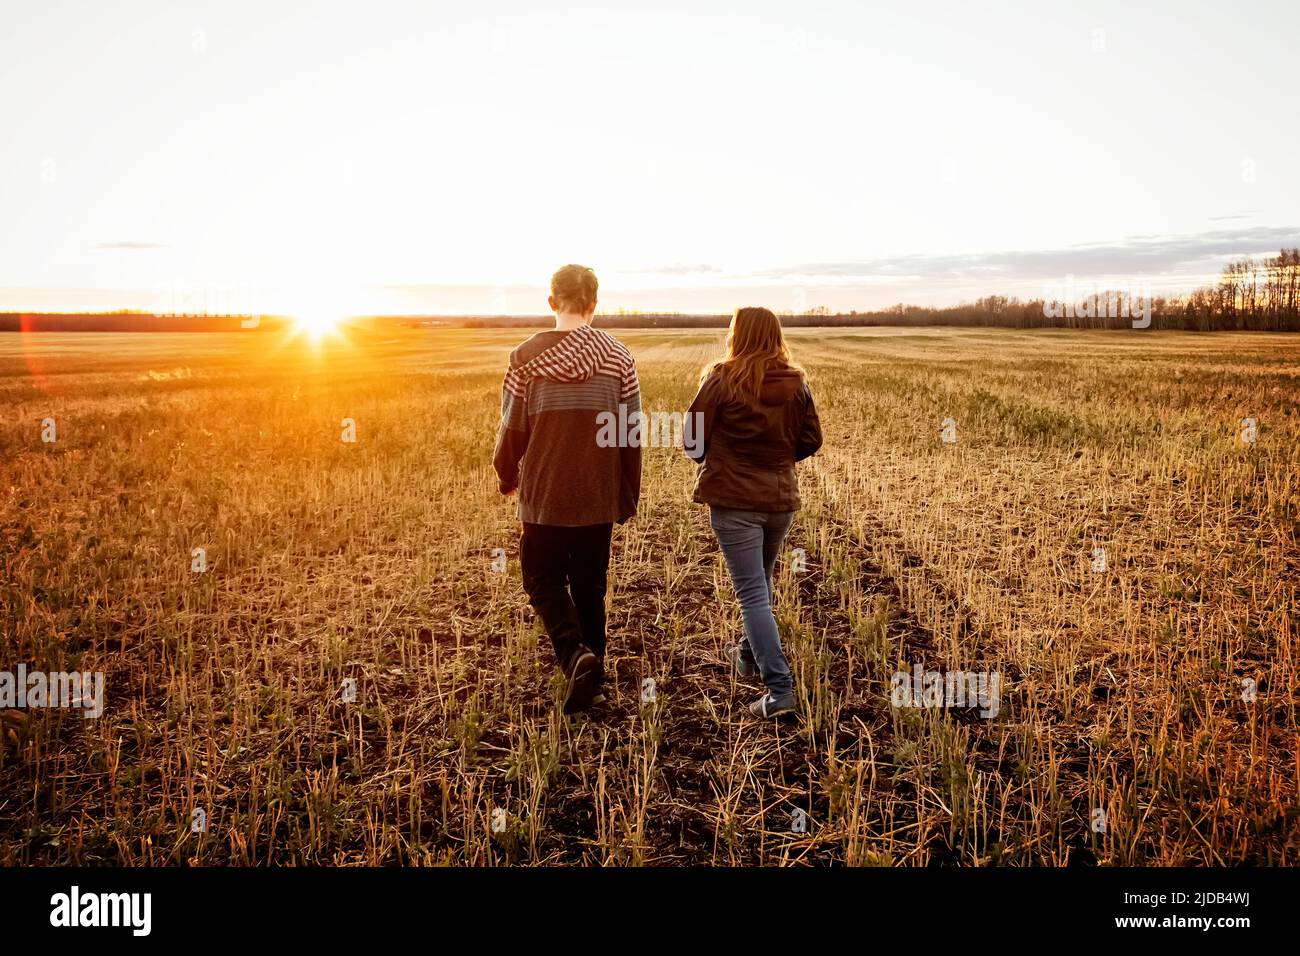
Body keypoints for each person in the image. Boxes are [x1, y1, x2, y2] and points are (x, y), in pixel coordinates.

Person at [493, 264, 641, 714]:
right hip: (597, 493)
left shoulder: (525, 359)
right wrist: (626, 493)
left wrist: (505, 472)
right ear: (594, 305)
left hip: (545, 493)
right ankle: (594, 685)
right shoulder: (619, 359)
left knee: (541, 579)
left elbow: (512, 429)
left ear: (552, 301)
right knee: (590, 585)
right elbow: (629, 434)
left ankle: (575, 654)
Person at [686, 306, 822, 718]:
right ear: (776, 336)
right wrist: (778, 460)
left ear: (737, 334)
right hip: (779, 502)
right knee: (760, 584)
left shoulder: (721, 378)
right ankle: (747, 655)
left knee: (751, 595)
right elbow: (811, 439)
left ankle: (780, 689)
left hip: (734, 503)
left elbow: (692, 441)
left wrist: (722, 460)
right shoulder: (797, 383)